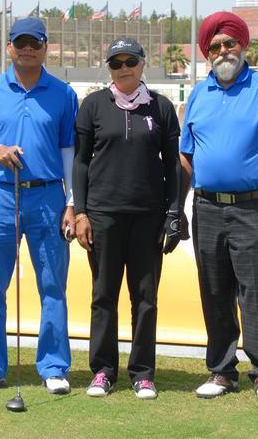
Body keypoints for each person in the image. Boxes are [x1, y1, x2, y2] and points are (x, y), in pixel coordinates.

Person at [179, 11, 258, 403]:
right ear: (207, 53)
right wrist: (175, 208)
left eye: (229, 43)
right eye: (215, 46)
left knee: (256, 291)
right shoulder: (199, 94)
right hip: (207, 207)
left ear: (242, 45)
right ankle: (222, 371)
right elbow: (186, 155)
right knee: (214, 290)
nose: (223, 51)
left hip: (253, 208)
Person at [0, 17, 78, 395]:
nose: (27, 49)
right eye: (20, 42)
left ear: (45, 48)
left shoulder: (63, 94)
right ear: (9, 47)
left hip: (47, 197)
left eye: (35, 43)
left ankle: (54, 367)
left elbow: (68, 152)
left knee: (52, 285)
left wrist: (71, 202)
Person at [73, 38, 185, 400]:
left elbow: (173, 165)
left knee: (145, 298)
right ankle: (103, 371)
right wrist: (82, 211)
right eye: (116, 63)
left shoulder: (161, 107)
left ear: (142, 64)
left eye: (130, 62)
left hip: (148, 218)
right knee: (104, 295)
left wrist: (173, 211)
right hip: (103, 216)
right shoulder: (93, 105)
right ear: (109, 68)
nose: (124, 69)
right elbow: (81, 162)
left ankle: (143, 373)